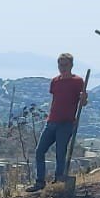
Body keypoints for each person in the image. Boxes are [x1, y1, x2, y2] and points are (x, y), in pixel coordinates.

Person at [29, 53, 87, 189]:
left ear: (71, 65)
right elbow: (54, 100)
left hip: (66, 123)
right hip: (52, 121)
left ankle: (58, 182)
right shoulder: (55, 81)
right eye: (60, 65)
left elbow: (83, 103)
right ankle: (40, 181)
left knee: (60, 153)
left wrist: (84, 97)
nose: (62, 67)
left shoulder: (78, 81)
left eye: (65, 65)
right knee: (39, 151)